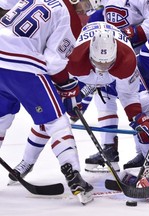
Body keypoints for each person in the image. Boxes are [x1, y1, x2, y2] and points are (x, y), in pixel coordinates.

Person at [0, 0, 101, 204]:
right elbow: (54, 64)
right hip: (23, 66)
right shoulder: (70, 18)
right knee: (56, 120)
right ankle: (74, 176)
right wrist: (68, 86)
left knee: (2, 117)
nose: (86, 9)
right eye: (87, 3)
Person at [78, 0, 149, 172]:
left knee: (141, 103)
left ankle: (148, 156)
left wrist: (131, 33)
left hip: (140, 55)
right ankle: (109, 149)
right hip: (108, 53)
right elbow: (93, 11)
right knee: (104, 97)